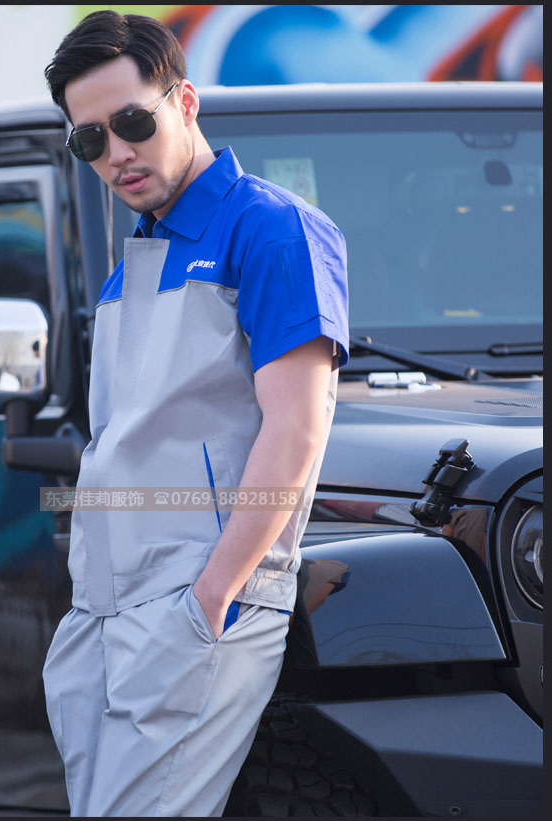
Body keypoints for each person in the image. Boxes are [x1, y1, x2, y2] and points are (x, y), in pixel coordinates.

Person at [41, 10, 349, 817]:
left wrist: (213, 597)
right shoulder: (136, 258)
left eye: (132, 123)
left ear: (184, 102)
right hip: (104, 616)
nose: (116, 153)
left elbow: (298, 427)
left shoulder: (273, 230)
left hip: (195, 605)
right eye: (89, 139)